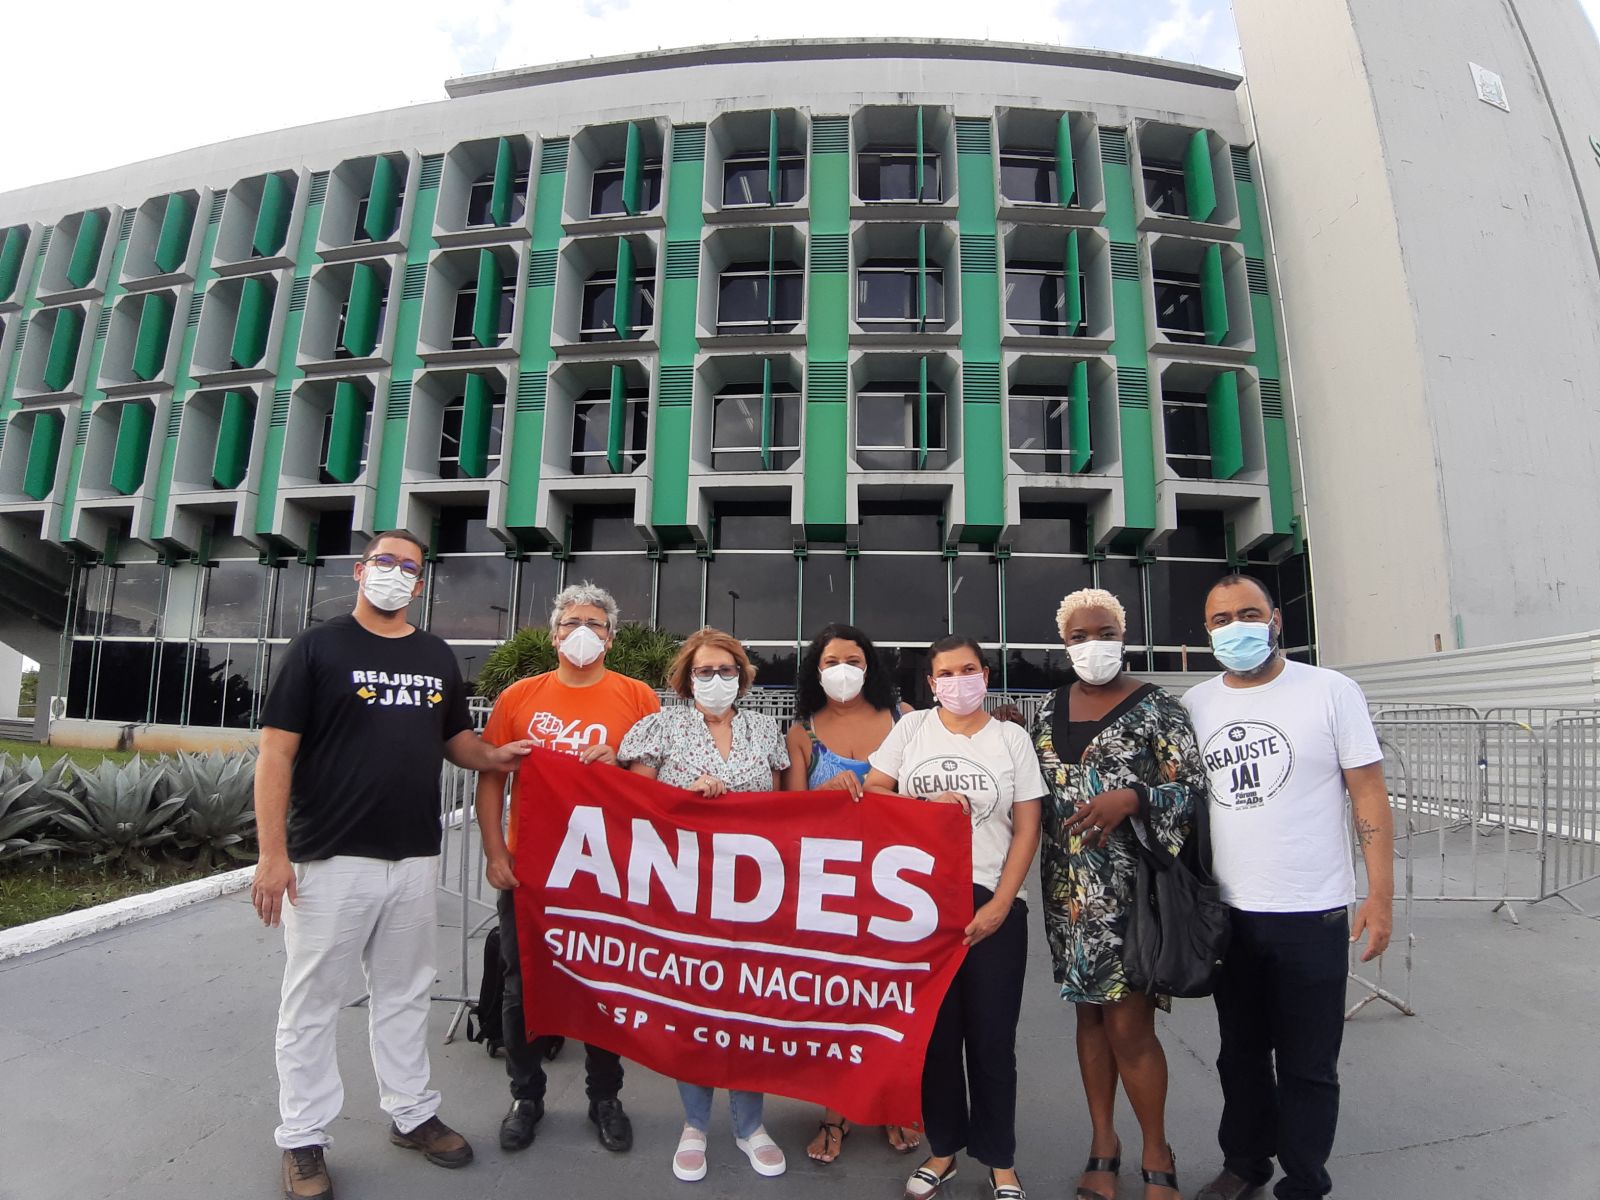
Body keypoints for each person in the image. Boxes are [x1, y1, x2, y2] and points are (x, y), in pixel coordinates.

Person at [251, 531, 532, 1200]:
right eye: (386, 561)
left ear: (421, 582)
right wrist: (271, 856)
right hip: (329, 857)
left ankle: (411, 1114)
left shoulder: (435, 655)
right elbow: (275, 754)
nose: (396, 573)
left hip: (412, 856)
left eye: (410, 567)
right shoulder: (317, 648)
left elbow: (456, 741)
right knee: (312, 1003)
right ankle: (303, 1137)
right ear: (360, 570)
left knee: (405, 995)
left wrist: (495, 756)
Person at [1181, 574, 1393, 1200]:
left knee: (1309, 1063)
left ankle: (1304, 1180)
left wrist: (1380, 896)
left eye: (1249, 614)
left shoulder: (1330, 692)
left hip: (1312, 911)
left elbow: (1369, 795)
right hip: (1229, 914)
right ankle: (1245, 1163)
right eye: (1222, 619)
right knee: (1239, 1054)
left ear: (1276, 620)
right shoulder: (1195, 704)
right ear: (1207, 632)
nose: (1236, 628)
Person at [1030, 588, 1205, 1200]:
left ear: (1123, 635)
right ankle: (1103, 1143)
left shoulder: (1160, 708)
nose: (1093, 645)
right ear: (1064, 644)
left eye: (1104, 633)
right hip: (1067, 895)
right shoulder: (1046, 708)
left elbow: (1192, 791)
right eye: (1079, 636)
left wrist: (1135, 798)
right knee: (1089, 1018)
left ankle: (1157, 1149)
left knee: (1129, 1026)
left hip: (1132, 895)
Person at [475, 582, 661, 1155]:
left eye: (595, 623)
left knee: (605, 984)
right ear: (554, 636)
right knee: (521, 984)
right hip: (531, 869)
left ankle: (605, 1097)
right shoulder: (519, 697)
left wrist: (621, 767)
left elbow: (654, 778)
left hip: (607, 869)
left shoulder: (637, 697)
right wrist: (495, 852)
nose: (583, 632)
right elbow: (491, 778)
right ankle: (525, 1097)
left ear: (611, 637)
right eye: (571, 622)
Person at [861, 635, 1046, 1200]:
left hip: (992, 902)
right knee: (936, 1041)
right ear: (931, 682)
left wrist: (1000, 904)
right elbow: (874, 791)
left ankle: (1000, 1161)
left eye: (968, 670)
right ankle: (942, 1151)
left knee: (992, 1042)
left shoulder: (1011, 739)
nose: (957, 681)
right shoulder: (912, 731)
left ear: (985, 676)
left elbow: (1027, 826)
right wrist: (924, 806)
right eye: (945, 673)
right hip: (920, 909)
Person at [617, 627, 791, 1183]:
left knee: (751, 1007)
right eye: (704, 671)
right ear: (686, 679)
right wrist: (683, 798)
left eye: (726, 670)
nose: (716, 679)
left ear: (742, 675)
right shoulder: (660, 727)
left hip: (754, 895)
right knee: (692, 1010)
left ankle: (749, 1125)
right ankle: (694, 1124)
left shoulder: (765, 730)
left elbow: (785, 811)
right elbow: (636, 804)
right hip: (684, 892)